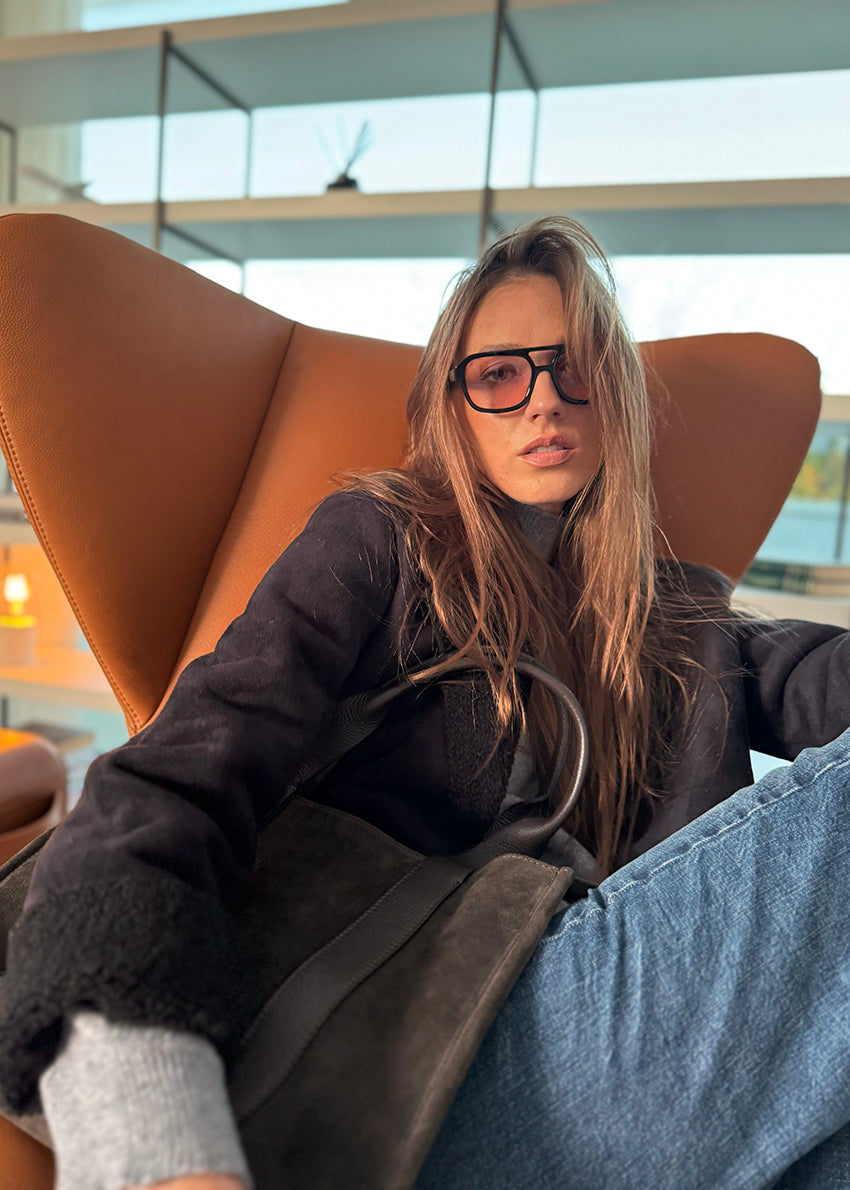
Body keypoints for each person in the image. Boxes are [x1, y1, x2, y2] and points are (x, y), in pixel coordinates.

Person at [1, 215, 849, 1190]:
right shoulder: (381, 542)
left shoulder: (677, 616)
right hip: (418, 1059)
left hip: (637, 1075)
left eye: (576, 370)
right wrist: (156, 1143)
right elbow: (176, 777)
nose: (543, 401)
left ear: (615, 402)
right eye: (500, 374)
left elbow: (816, 677)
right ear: (455, 404)